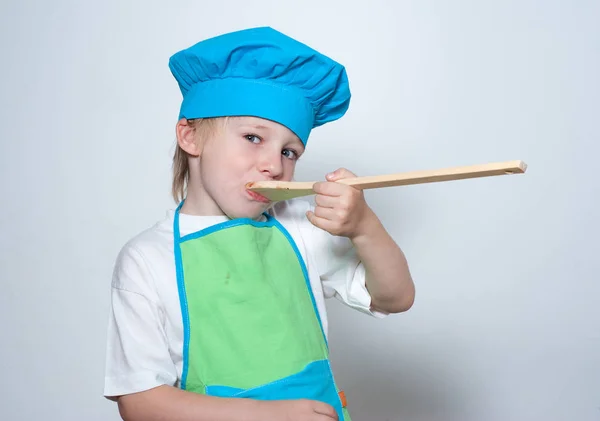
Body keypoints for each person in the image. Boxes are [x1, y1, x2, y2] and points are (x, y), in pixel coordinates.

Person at [103, 26, 415, 421]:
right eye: (253, 137)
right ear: (190, 136)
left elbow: (395, 297)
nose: (274, 164)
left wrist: (364, 227)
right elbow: (139, 403)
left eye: (289, 151)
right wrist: (270, 415)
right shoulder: (147, 259)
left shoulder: (303, 226)